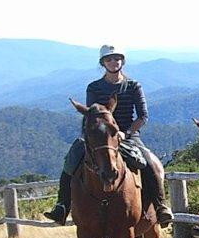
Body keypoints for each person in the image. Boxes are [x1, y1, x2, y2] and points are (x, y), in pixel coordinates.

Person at [44, 45, 174, 227]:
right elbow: (92, 114)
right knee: (71, 161)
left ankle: (160, 206)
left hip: (128, 134)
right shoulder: (94, 87)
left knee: (150, 163)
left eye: (116, 58)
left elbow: (143, 116)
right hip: (98, 136)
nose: (113, 62)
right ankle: (62, 205)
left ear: (122, 60)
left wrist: (125, 132)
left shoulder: (133, 86)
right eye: (109, 59)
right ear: (103, 63)